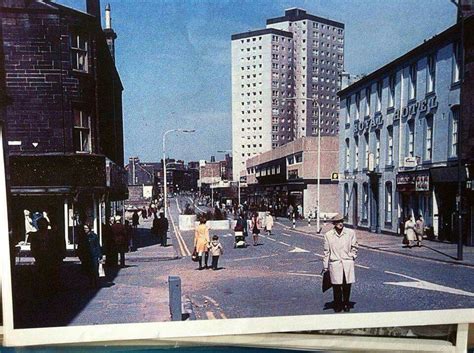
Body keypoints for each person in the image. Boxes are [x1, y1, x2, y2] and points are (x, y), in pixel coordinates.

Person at [322, 213, 358, 313]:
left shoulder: (350, 233)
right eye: (338, 222)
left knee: (347, 285)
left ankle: (346, 303)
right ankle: (338, 305)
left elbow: (354, 247)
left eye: (341, 221)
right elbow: (326, 252)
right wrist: (325, 267)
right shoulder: (328, 235)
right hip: (335, 263)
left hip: (347, 263)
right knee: (336, 286)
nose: (340, 223)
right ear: (334, 223)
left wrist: (352, 256)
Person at [30, 217, 65, 294]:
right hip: (41, 259)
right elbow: (33, 247)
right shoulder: (35, 235)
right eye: (40, 224)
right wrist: (36, 256)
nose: (42, 226)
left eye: (43, 224)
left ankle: (53, 289)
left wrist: (60, 256)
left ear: (46, 224)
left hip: (52, 259)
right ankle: (44, 290)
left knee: (52, 275)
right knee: (42, 276)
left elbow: (58, 245)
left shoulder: (52, 234)